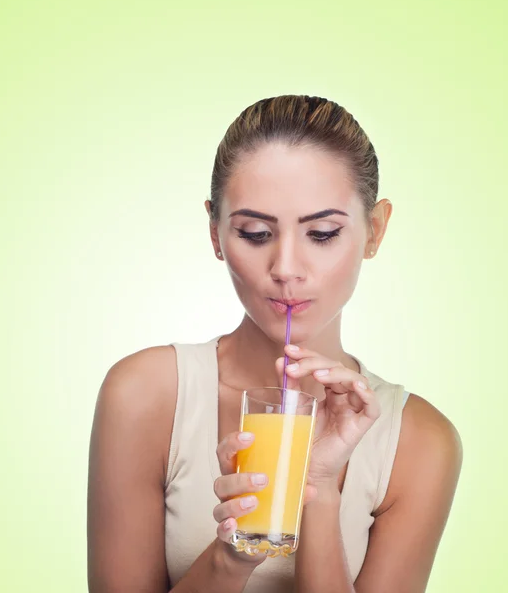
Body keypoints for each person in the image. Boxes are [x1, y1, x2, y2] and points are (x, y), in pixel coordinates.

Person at [87, 94, 463, 593]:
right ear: (216, 233)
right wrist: (233, 555)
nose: (286, 269)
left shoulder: (419, 442)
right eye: (256, 232)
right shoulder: (145, 396)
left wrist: (319, 491)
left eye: (323, 233)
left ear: (374, 230)